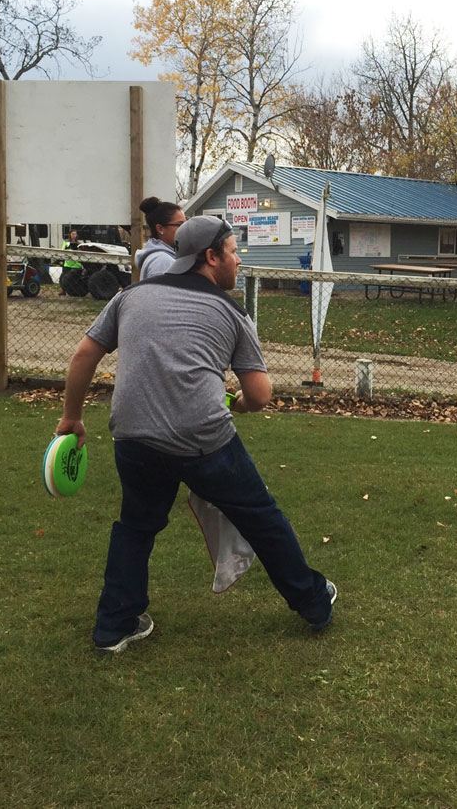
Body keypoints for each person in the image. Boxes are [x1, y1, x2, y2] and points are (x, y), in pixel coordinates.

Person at [57, 215, 336, 652]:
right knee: (261, 518)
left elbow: (83, 355)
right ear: (210, 257)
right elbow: (259, 396)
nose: (239, 259)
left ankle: (114, 626)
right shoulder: (231, 311)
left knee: (136, 526)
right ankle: (315, 603)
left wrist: (71, 417)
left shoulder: (130, 296)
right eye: (232, 251)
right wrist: (236, 405)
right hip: (204, 438)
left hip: (133, 435)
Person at [133, 196, 185, 279]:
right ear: (160, 229)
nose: (185, 228)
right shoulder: (162, 262)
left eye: (185, 224)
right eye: (179, 225)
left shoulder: (162, 258)